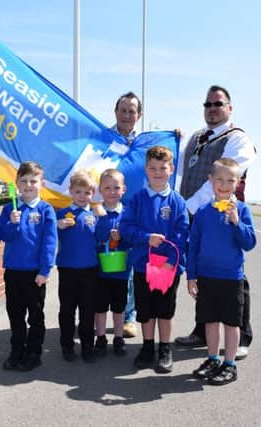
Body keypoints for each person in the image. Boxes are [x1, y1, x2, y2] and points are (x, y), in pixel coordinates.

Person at [175, 85, 257, 360]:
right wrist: (176, 141)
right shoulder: (196, 137)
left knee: (234, 276)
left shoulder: (238, 139)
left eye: (218, 104)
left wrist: (188, 206)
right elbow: (181, 169)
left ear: (229, 108)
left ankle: (242, 335)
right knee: (204, 272)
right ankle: (202, 331)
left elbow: (222, 179)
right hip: (194, 214)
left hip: (222, 214)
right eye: (207, 104)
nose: (212, 109)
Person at [120, 146, 189, 373]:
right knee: (146, 310)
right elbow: (126, 228)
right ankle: (148, 347)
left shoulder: (178, 202)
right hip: (143, 265)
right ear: (146, 170)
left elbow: (181, 234)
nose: (158, 172)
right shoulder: (138, 199)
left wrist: (172, 262)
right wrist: (146, 238)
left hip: (168, 268)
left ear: (171, 170)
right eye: (152, 168)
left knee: (165, 310)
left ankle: (165, 348)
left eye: (163, 168)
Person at [188, 158, 256, 385]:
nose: (224, 185)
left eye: (230, 180)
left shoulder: (242, 210)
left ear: (238, 183)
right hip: (207, 277)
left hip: (231, 278)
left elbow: (249, 243)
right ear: (210, 181)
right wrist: (191, 276)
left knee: (231, 323)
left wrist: (237, 222)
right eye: (219, 179)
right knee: (210, 321)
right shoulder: (203, 212)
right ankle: (212, 358)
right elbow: (193, 245)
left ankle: (229, 364)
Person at [0, 161, 57, 371]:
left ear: (41, 183)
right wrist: (11, 223)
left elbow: (49, 243)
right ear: (17, 184)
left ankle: (34, 352)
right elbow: (5, 236)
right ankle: (17, 350)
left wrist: (44, 271)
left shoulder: (45, 209)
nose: (28, 185)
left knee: (35, 315)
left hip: (35, 274)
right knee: (15, 314)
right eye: (23, 181)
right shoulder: (9, 208)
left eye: (33, 180)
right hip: (14, 271)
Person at [56, 170, 99, 363]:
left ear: (93, 193)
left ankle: (88, 346)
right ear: (71, 192)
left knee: (88, 310)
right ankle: (67, 346)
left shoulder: (96, 214)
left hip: (90, 270)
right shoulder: (62, 214)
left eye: (87, 192)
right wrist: (58, 225)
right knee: (67, 310)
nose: (82, 196)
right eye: (78, 192)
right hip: (67, 269)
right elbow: (49, 236)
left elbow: (104, 238)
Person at [111, 91, 142, 339]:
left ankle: (129, 317)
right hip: (103, 209)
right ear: (115, 112)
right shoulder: (102, 139)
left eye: (132, 111)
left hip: (131, 214)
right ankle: (95, 314)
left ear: (138, 116)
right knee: (100, 264)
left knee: (128, 267)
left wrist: (175, 137)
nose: (127, 115)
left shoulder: (144, 145)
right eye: (123, 109)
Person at [93, 169, 130, 357]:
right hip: (100, 270)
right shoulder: (97, 212)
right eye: (107, 188)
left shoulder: (128, 213)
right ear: (100, 190)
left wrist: (122, 237)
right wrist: (103, 219)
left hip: (121, 270)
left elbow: (132, 238)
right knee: (99, 306)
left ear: (124, 189)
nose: (112, 191)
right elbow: (96, 236)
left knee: (119, 306)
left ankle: (118, 337)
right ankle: (100, 337)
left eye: (116, 187)